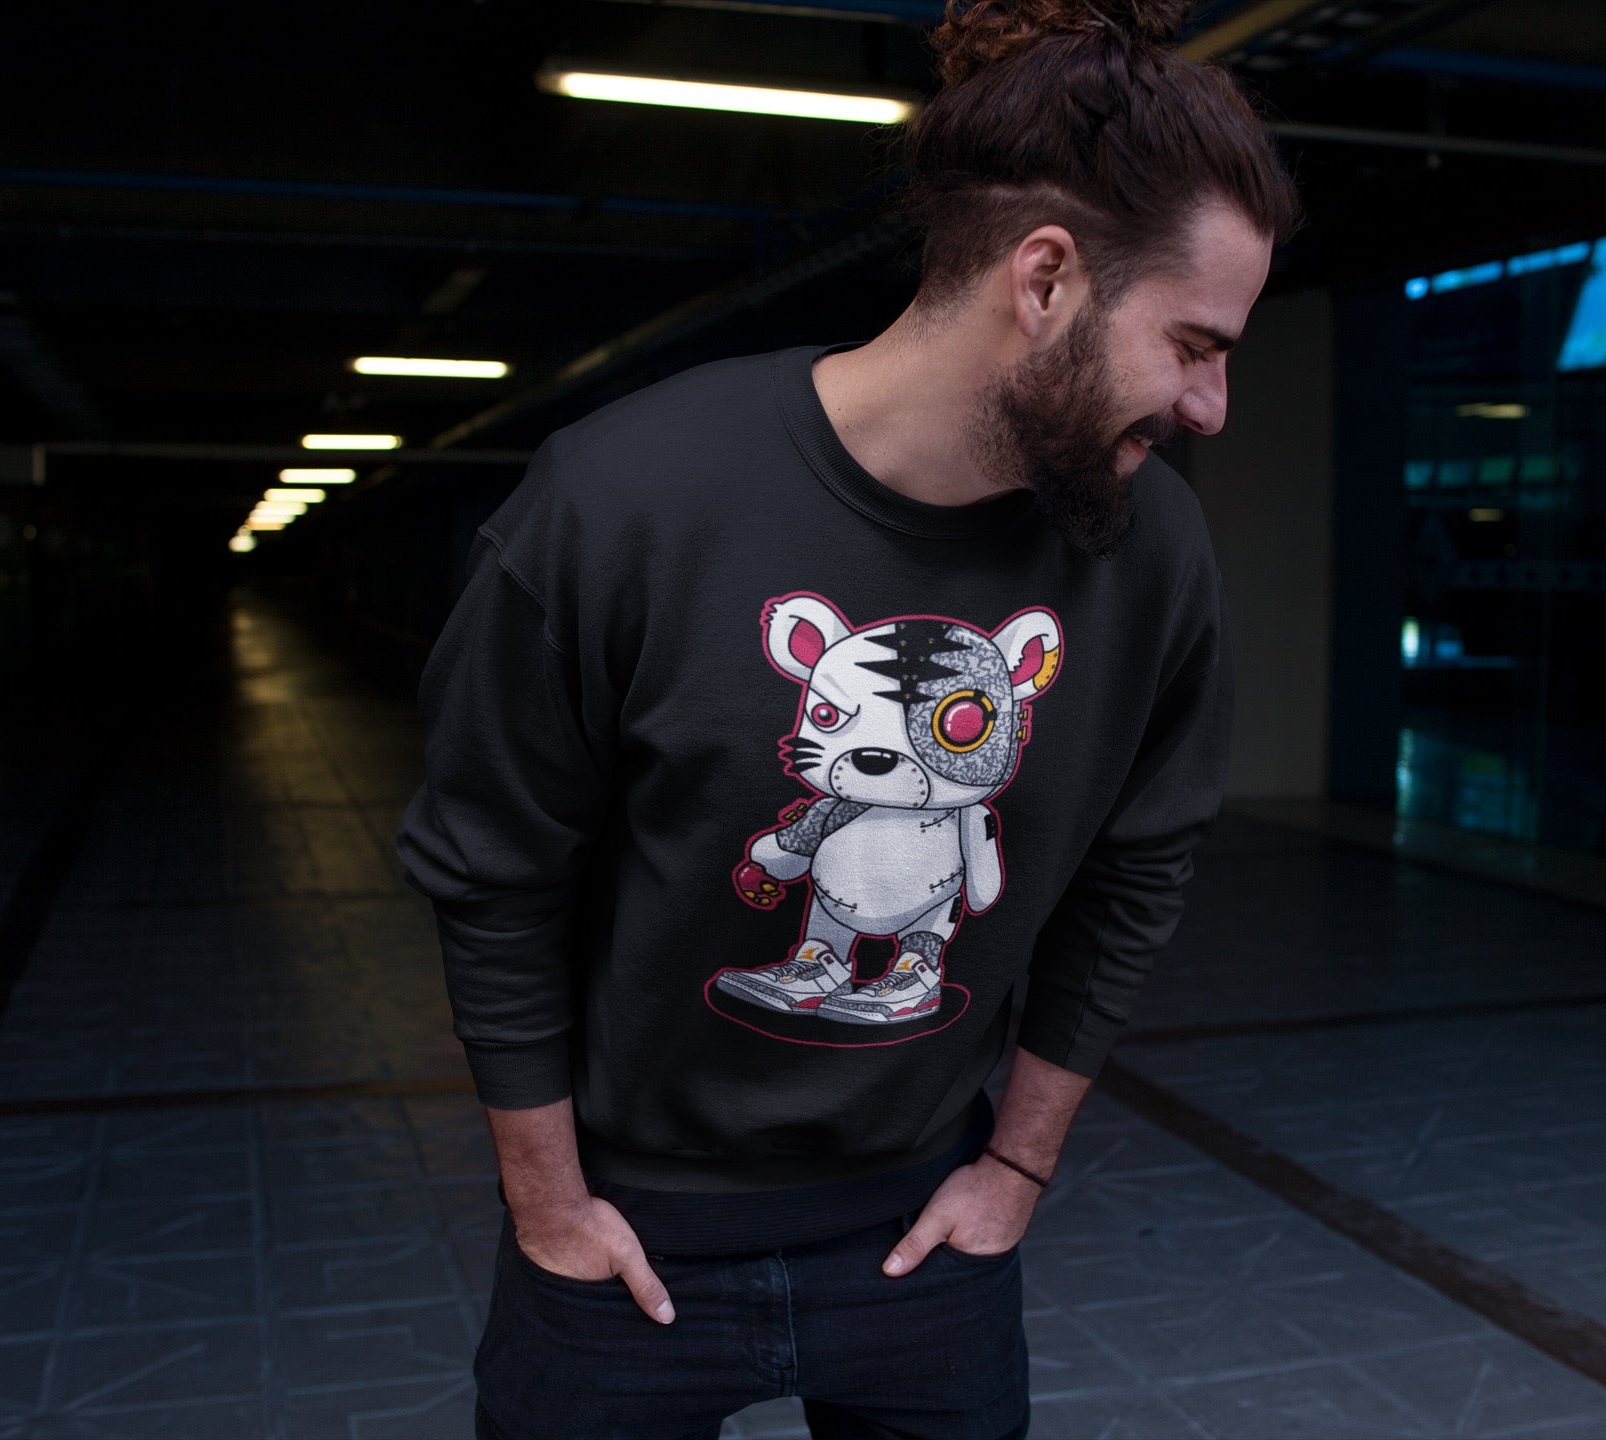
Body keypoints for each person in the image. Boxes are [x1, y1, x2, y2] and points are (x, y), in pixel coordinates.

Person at [395, 1, 1299, 1436]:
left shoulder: (1153, 555)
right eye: (1195, 343)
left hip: (924, 1240)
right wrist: (549, 1205)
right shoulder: (625, 502)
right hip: (622, 1242)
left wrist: (1016, 1169)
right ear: (1047, 278)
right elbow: (494, 874)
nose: (1214, 406)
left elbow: (1135, 877)